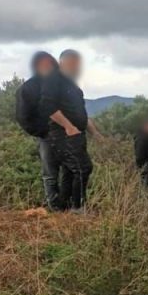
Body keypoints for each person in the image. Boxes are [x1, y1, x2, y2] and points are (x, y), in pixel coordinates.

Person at [39, 49, 93, 211]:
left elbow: (80, 112)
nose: (77, 67)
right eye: (73, 63)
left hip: (77, 134)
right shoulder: (53, 80)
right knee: (82, 168)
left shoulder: (72, 85)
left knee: (70, 170)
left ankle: (65, 206)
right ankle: (78, 208)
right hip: (63, 134)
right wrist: (68, 127)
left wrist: (95, 133)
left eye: (78, 64)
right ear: (63, 62)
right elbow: (47, 107)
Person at [15, 51, 62, 209]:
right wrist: (43, 132)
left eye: (50, 63)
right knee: (50, 174)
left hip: (70, 136)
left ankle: (71, 207)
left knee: (72, 171)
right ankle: (55, 208)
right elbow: (23, 116)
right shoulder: (28, 88)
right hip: (47, 136)